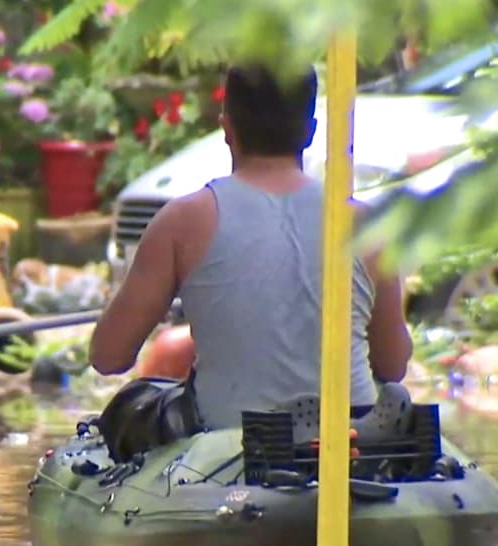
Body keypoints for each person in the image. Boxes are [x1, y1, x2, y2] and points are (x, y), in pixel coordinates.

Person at [89, 63, 413, 430]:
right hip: (351, 431)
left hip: (232, 436)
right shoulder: (365, 223)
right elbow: (393, 365)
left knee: (138, 404)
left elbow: (108, 356)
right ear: (310, 132)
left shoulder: (183, 221)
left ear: (227, 128)